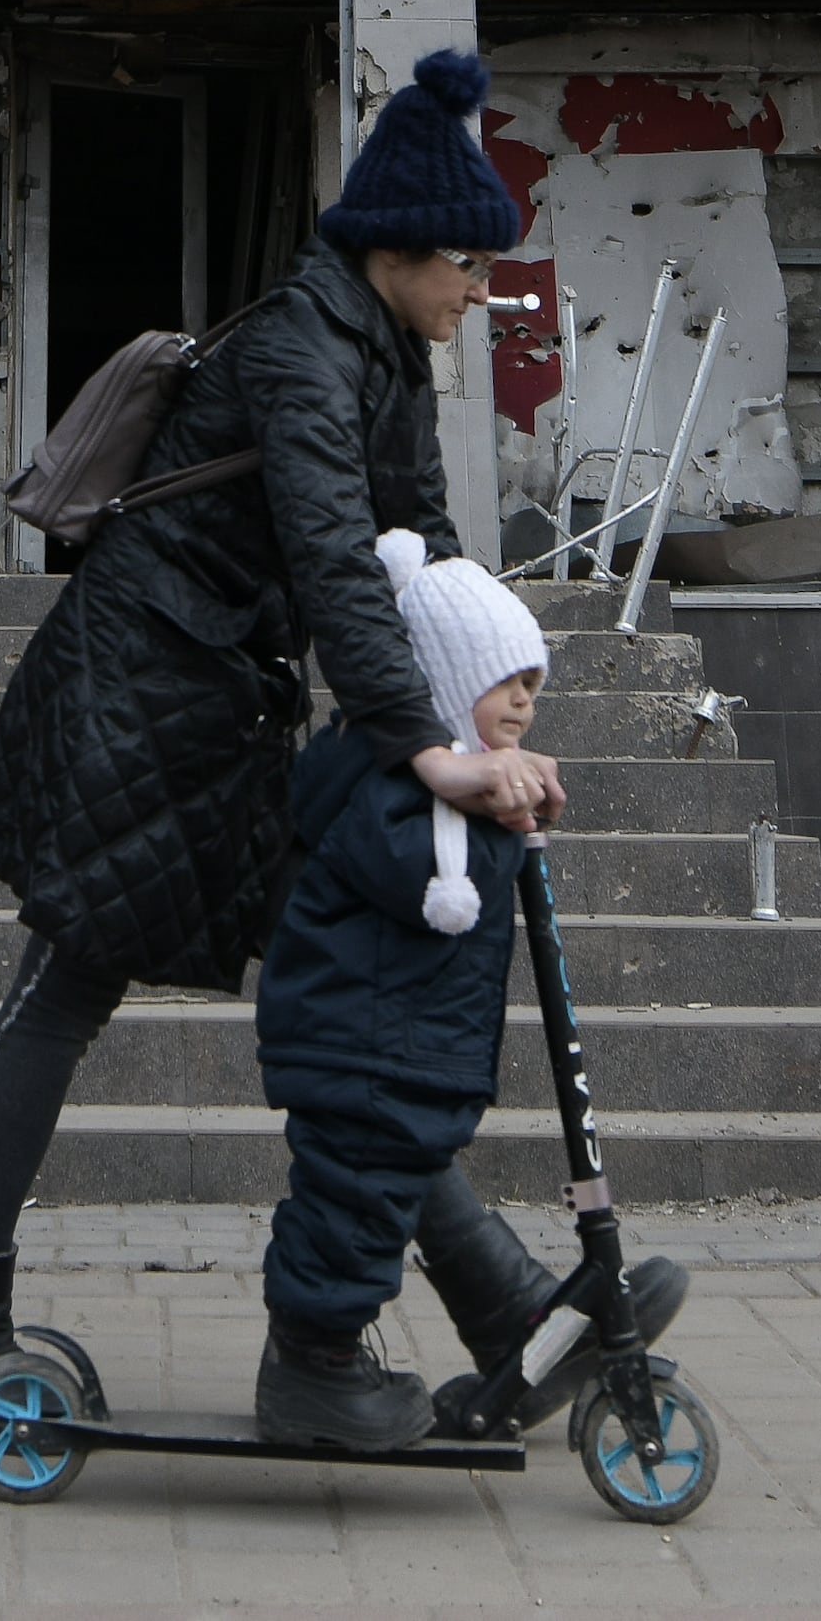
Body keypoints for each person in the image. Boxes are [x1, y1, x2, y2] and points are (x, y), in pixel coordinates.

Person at [0, 45, 570, 1437]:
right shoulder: (303, 355)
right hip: (137, 689)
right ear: (399, 251)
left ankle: (494, 1299)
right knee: (69, 984)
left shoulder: (382, 355)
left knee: (338, 991)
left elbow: (419, 560)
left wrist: (485, 706)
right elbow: (329, 554)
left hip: (222, 694)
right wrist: (430, 754)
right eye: (470, 268)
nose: (481, 293)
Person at [250, 532, 687, 1448]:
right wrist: (495, 815)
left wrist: (500, 801)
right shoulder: (379, 779)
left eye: (534, 681)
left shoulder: (437, 784)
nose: (525, 700)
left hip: (405, 1049)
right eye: (505, 682)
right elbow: (421, 879)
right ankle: (313, 1364)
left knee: (391, 1178)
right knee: (350, 1207)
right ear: (443, 688)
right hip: (358, 1046)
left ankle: (510, 1318)